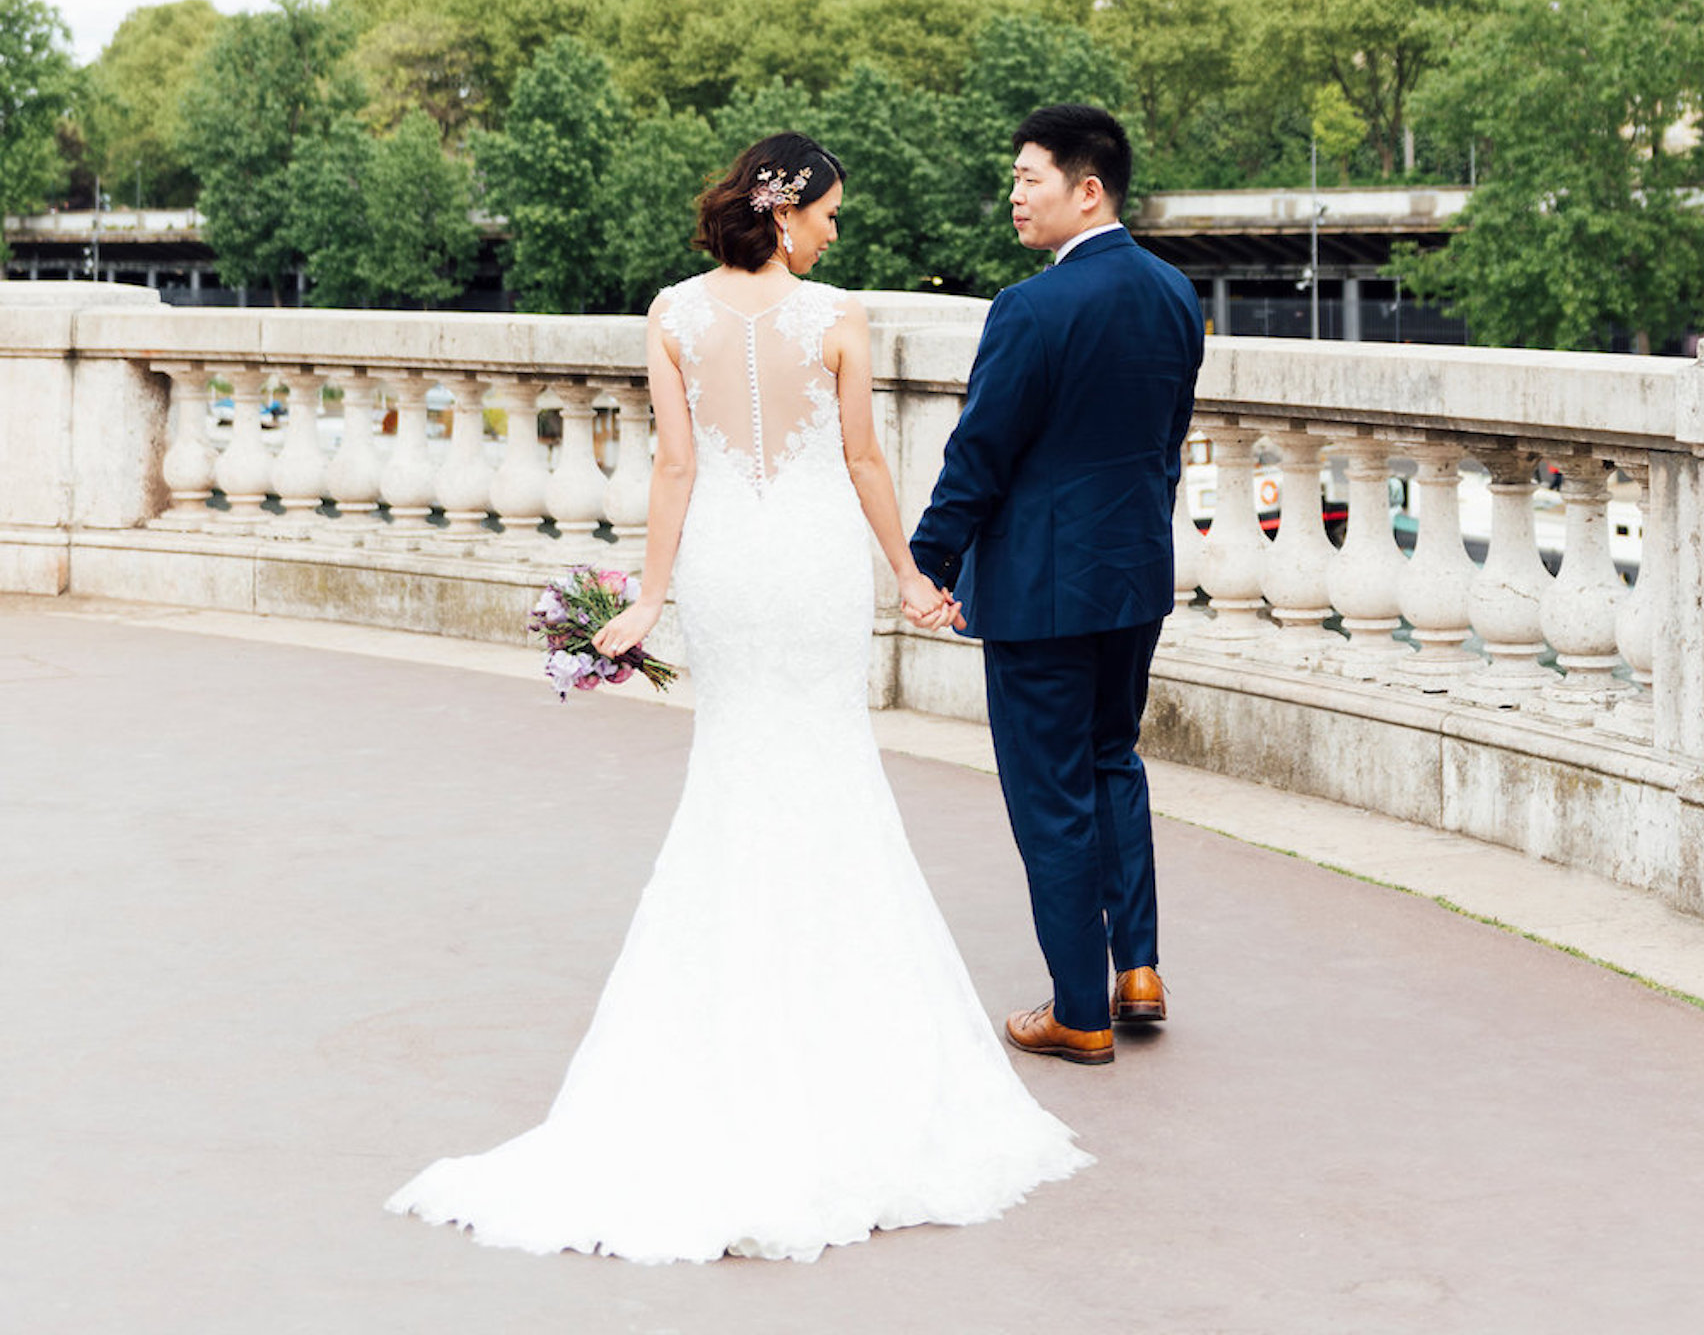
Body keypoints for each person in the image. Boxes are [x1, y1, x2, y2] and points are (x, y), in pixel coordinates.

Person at [386, 134, 1086, 1268]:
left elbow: (675, 468)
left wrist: (650, 599)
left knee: (735, 774)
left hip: (721, 566)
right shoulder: (837, 318)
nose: (835, 235)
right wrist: (911, 574)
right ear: (789, 209)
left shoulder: (669, 314)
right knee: (829, 771)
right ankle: (843, 1053)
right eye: (831, 217)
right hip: (808, 565)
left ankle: (723, 1044)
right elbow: (861, 462)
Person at [909, 102, 1205, 1069]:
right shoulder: (1174, 296)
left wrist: (930, 562)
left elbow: (979, 454)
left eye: (1028, 178)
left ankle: (1080, 1009)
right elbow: (1165, 447)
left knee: (1050, 795)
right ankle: (1140, 968)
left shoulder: (1030, 308)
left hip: (1041, 590)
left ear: (1087, 189)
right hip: (1132, 578)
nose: (1013, 195)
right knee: (1113, 759)